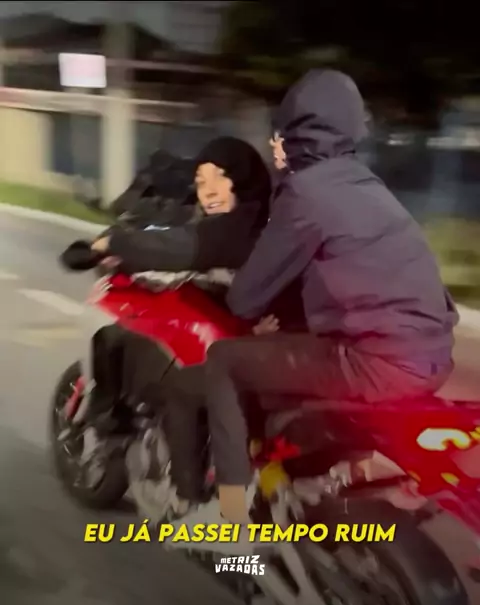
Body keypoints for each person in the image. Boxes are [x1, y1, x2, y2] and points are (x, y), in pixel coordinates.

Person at [170, 68, 458, 550]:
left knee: (224, 361)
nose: (274, 143)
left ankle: (230, 519)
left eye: (281, 132)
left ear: (299, 134)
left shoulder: (305, 191)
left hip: (375, 363)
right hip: (433, 357)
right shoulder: (366, 184)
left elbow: (245, 298)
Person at [89, 137, 274, 510]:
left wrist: (112, 244)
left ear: (244, 180)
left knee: (181, 388)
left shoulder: (239, 227)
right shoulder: (265, 219)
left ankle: (186, 499)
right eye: (202, 182)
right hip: (280, 342)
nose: (209, 191)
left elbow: (179, 248)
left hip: (267, 351)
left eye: (221, 177)